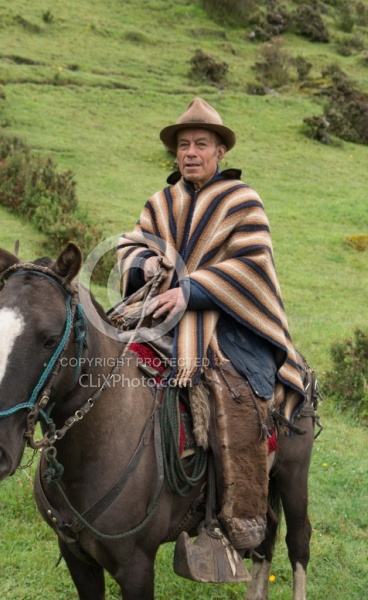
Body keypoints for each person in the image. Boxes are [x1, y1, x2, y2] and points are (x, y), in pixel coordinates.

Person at [116, 98, 306, 555]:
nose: (191, 152)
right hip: (159, 315)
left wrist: (192, 289)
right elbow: (130, 244)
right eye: (184, 144)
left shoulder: (243, 200)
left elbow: (253, 264)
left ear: (221, 152)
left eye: (202, 143)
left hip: (230, 322)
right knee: (109, 365)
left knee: (232, 394)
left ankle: (234, 519)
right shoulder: (161, 202)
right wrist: (145, 265)